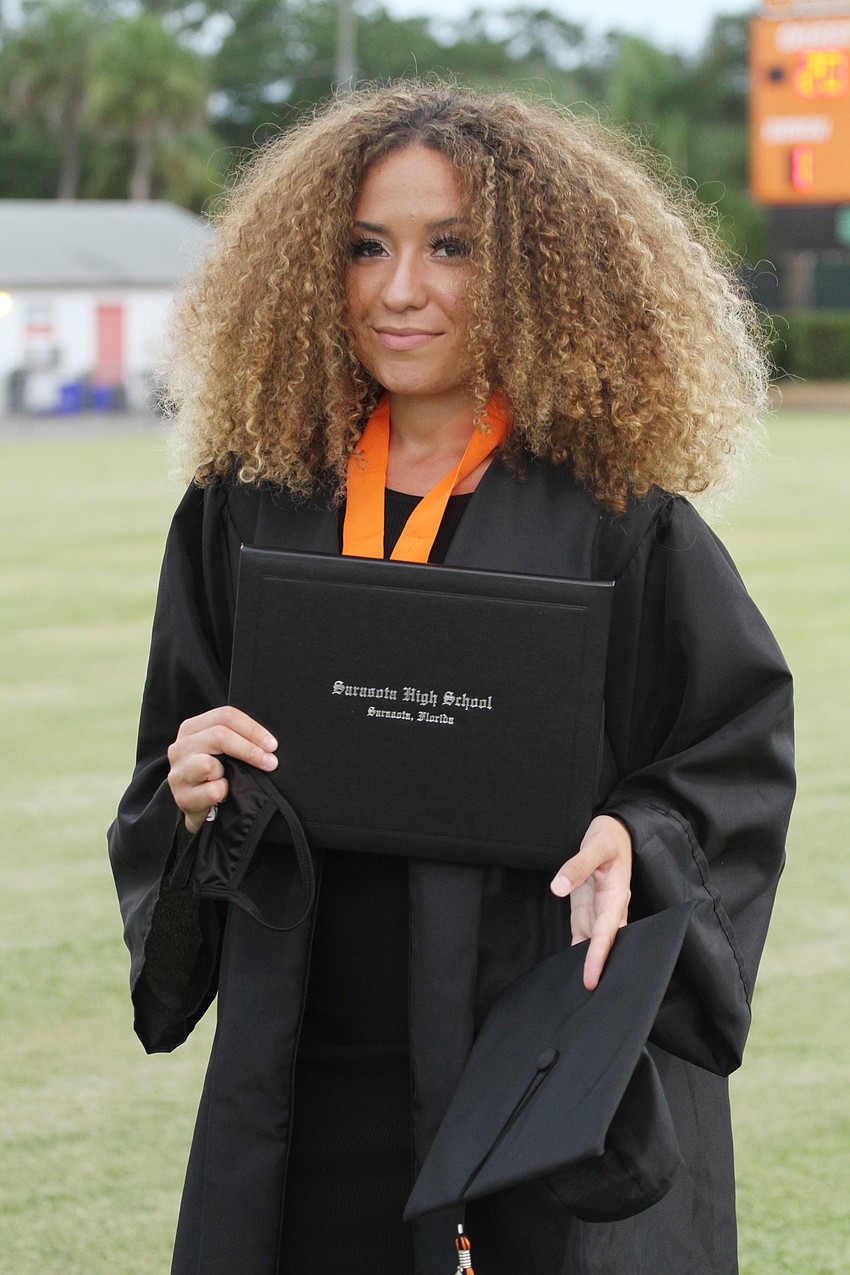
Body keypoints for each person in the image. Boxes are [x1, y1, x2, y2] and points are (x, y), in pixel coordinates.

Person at [109, 81, 795, 1275]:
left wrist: (637, 834)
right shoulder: (245, 509)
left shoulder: (619, 524)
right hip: (313, 1051)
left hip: (534, 1050)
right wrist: (193, 788)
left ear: (540, 274)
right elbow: (169, 777)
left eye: (453, 248)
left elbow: (728, 761)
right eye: (365, 247)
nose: (399, 289)